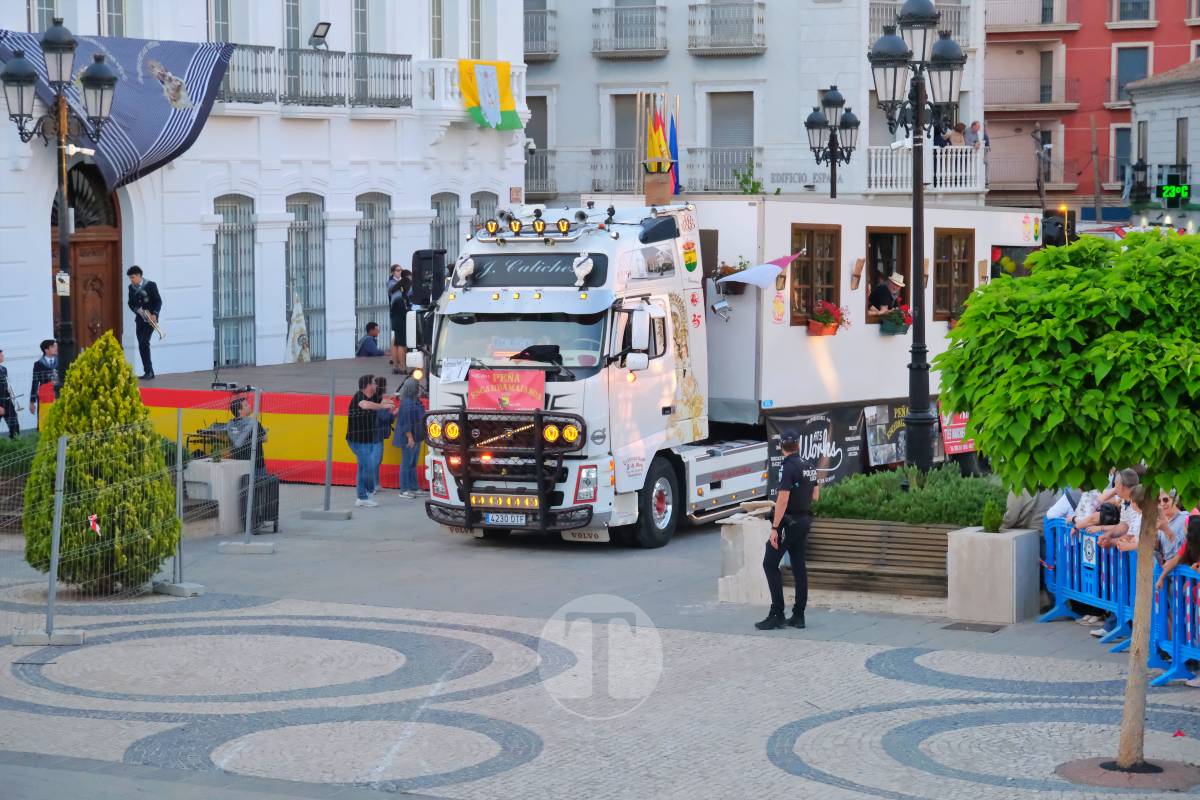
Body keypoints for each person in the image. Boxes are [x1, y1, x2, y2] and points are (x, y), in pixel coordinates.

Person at [756, 430, 819, 631]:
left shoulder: (788, 467)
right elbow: (816, 495)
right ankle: (798, 615)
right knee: (799, 567)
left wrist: (775, 527)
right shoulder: (809, 465)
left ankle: (777, 614)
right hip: (804, 521)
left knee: (769, 563)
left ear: (782, 447)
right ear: (798, 445)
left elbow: (782, 498)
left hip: (789, 523)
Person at [1155, 516, 1200, 687]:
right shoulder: (1188, 546)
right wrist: (1161, 577)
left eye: (1187, 527)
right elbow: (1174, 561)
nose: (1184, 529)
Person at [346, 374, 395, 508]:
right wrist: (382, 406)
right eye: (374, 383)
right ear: (368, 385)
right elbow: (366, 405)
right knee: (368, 466)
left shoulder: (372, 397)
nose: (376, 385)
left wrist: (388, 401)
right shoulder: (359, 397)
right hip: (357, 441)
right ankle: (369, 490)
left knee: (363, 468)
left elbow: (381, 401)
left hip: (366, 440)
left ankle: (362, 497)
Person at [126, 266, 162, 380]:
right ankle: (148, 371)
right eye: (130, 278)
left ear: (139, 276)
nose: (131, 280)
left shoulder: (151, 285)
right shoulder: (131, 288)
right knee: (142, 345)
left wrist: (155, 314)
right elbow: (130, 303)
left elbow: (158, 301)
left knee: (144, 342)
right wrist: (137, 310)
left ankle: (149, 371)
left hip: (151, 319)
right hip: (140, 320)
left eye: (133, 277)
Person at [392, 375, 424, 499]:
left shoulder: (415, 401)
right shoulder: (407, 403)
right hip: (409, 437)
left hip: (416, 436)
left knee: (412, 463)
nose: (420, 389)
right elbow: (406, 423)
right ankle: (404, 489)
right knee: (406, 463)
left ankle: (414, 487)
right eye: (418, 387)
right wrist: (410, 438)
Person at [226, 397, 266, 475]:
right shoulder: (254, 423)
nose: (250, 406)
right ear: (240, 410)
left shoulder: (230, 424)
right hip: (256, 465)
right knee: (260, 486)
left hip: (238, 465)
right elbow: (265, 438)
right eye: (246, 405)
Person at [29, 339, 61, 423]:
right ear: (46, 350)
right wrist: (32, 401)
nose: (56, 348)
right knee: (45, 421)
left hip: (59, 395)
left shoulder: (61, 361)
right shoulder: (38, 364)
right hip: (45, 397)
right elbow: (35, 382)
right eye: (53, 347)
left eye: (56, 346)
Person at [372, 377, 395, 492]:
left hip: (375, 434)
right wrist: (393, 412)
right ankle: (372, 485)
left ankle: (375, 484)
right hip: (376, 435)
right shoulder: (379, 402)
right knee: (376, 460)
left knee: (376, 460)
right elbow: (385, 417)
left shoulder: (376, 398)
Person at [388, 265, 412, 375]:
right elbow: (399, 298)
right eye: (398, 270)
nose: (400, 272)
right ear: (393, 272)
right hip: (399, 315)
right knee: (401, 342)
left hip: (396, 315)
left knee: (396, 340)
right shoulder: (392, 283)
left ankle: (396, 365)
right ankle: (402, 366)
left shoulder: (399, 284)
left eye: (401, 270)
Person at [0, 349, 18, 439]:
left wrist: (9, 390)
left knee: (14, 423)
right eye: (1, 355)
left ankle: (16, 442)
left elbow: (5, 384)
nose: (3, 356)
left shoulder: (3, 369)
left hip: (7, 401)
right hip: (0, 403)